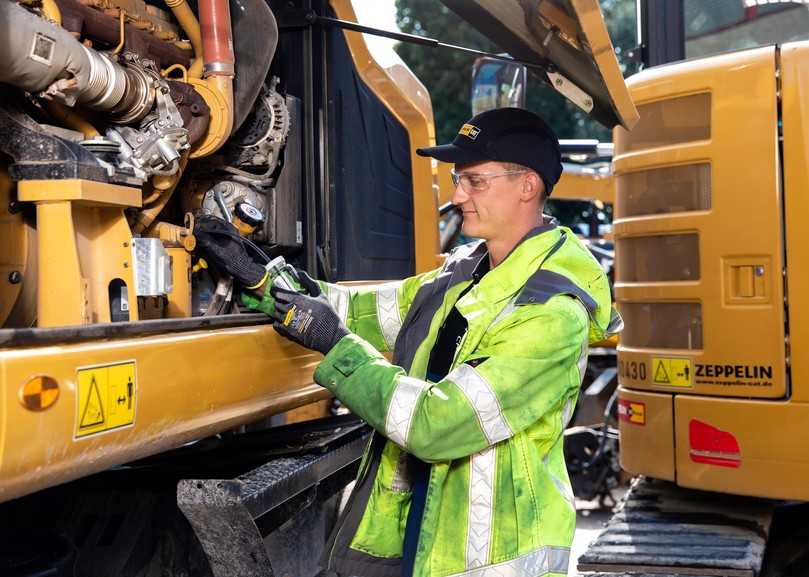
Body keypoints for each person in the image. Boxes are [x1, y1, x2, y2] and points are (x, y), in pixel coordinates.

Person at [195, 107, 621, 577]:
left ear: (528, 186)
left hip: (487, 559)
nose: (458, 195)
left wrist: (337, 345)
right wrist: (262, 278)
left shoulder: (550, 313)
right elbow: (358, 310)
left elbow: (439, 424)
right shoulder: (466, 271)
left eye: (475, 181)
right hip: (421, 528)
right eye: (459, 178)